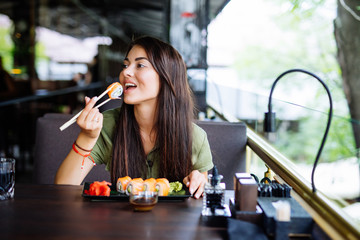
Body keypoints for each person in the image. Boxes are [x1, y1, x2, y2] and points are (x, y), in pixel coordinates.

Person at [55, 36, 213, 199]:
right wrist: (87, 137)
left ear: (167, 77)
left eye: (140, 65)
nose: (126, 72)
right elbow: (63, 188)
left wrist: (199, 180)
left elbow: (202, 191)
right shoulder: (108, 124)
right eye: (126, 65)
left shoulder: (196, 137)